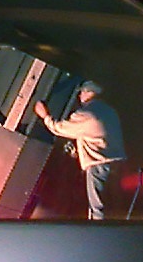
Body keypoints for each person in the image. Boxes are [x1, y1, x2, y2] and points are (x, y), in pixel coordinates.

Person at [34, 79, 125, 221]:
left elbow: (60, 129)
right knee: (114, 207)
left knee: (98, 209)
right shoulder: (109, 111)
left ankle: (99, 237)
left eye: (82, 92)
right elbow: (96, 136)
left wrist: (45, 116)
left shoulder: (85, 114)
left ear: (90, 93)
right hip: (117, 164)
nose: (80, 95)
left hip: (98, 165)